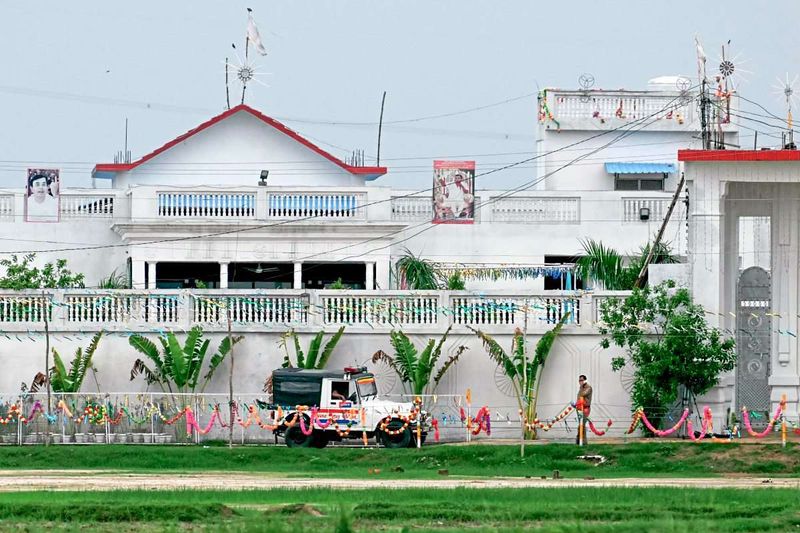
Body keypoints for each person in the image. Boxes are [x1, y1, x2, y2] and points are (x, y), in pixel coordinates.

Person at [576, 374, 593, 444]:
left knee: (582, 424)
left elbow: (582, 394)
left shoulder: (588, 387)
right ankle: (580, 441)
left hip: (586, 408)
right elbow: (579, 397)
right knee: (580, 424)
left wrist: (582, 387)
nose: (580, 382)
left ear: (585, 380)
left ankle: (581, 441)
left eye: (582, 380)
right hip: (579, 408)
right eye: (579, 380)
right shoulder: (581, 387)